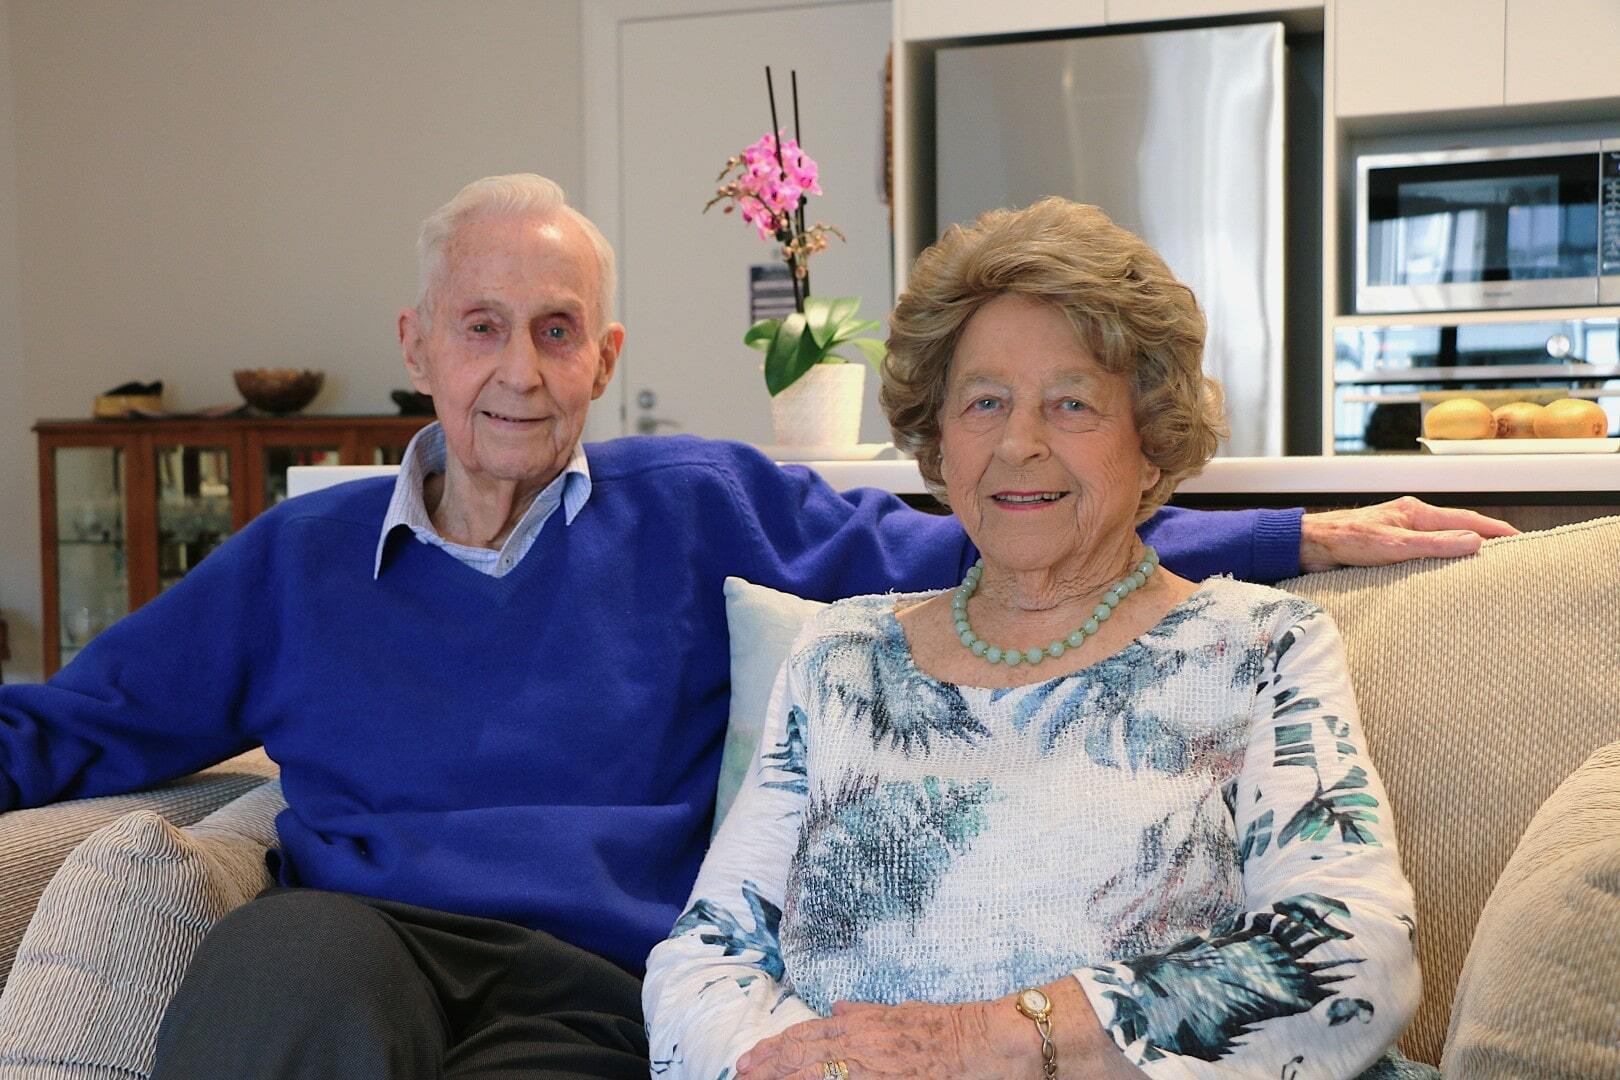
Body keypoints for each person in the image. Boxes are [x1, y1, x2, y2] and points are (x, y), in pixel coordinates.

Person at [0, 176, 1494, 1078]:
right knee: (277, 974)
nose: (518, 371)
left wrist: (1300, 536)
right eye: (480, 325)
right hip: (362, 940)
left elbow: (991, 532)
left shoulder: (694, 505)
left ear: (607, 357)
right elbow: (71, 728)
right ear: (416, 347)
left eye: (557, 328)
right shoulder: (295, 556)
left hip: (588, 984)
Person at [645, 199, 1434, 1080]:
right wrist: (788, 1069)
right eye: (984, 402)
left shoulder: (1259, 648)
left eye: (1071, 404)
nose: (1019, 442)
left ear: (1152, 442)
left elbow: (1352, 956)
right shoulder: (839, 657)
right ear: (939, 443)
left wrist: (984, 1044)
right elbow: (704, 960)